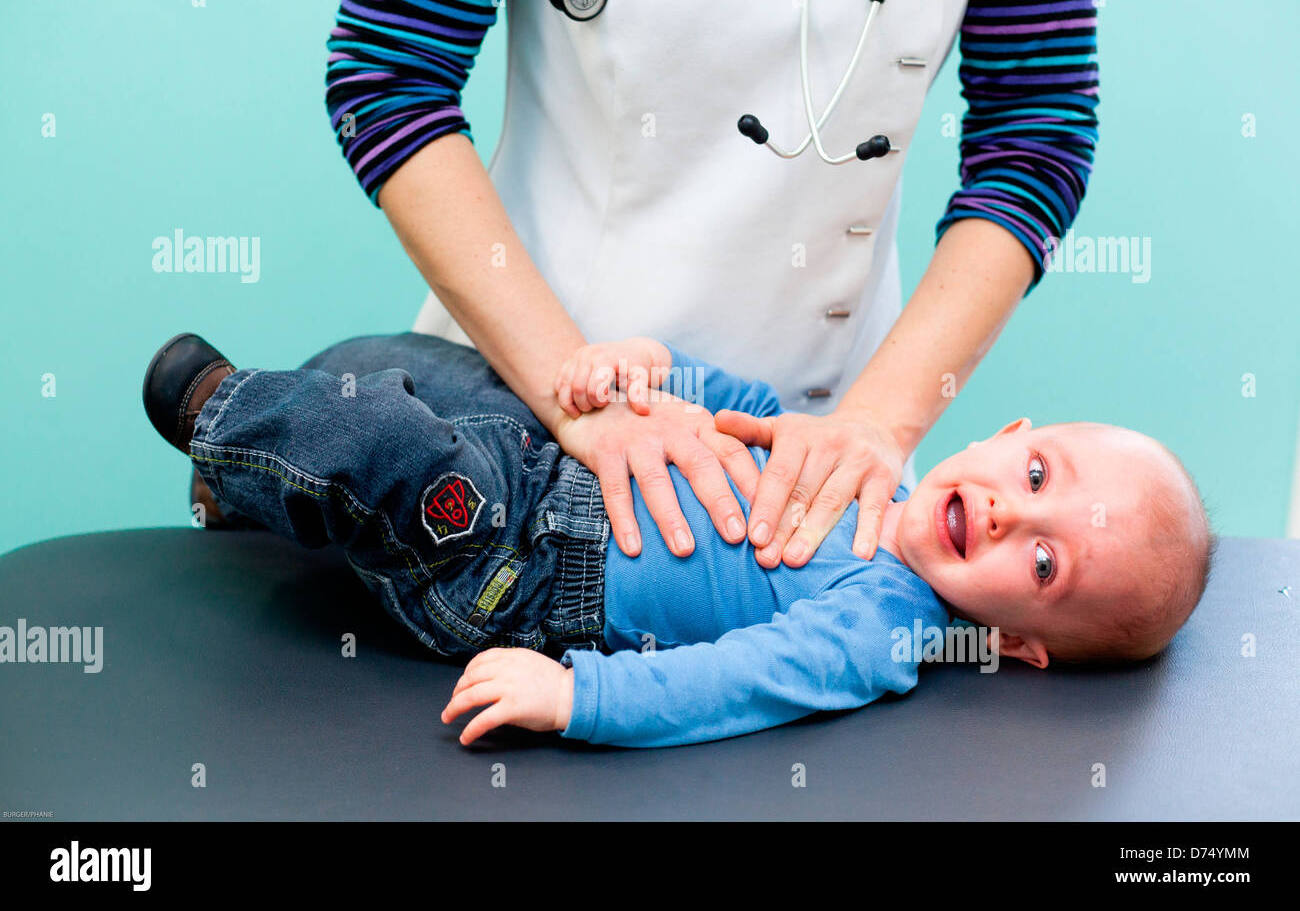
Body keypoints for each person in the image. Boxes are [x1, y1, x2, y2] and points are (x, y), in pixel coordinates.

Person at [311, 0, 1102, 574]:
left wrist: (876, 424)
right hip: (529, 427)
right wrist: (574, 396)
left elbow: (1034, 144)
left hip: (824, 473)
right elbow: (389, 75)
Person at [142, 329, 1213, 748]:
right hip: (556, 446)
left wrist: (580, 698)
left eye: (1042, 560)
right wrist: (639, 376)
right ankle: (250, 494)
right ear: (1010, 432)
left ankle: (215, 412)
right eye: (1034, 476)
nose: (1007, 510)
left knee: (393, 450)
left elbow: (739, 679)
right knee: (409, 360)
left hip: (518, 566)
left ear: (1023, 644)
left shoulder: (890, 625)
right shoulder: (853, 451)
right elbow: (727, 406)